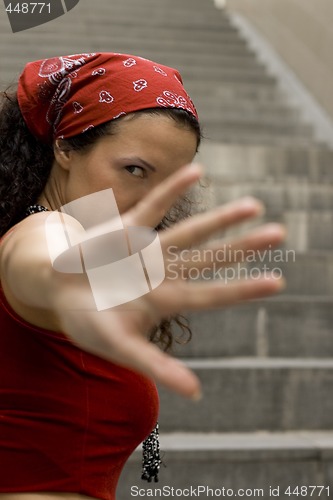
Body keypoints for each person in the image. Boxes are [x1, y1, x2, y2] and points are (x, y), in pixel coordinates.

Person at [0, 52, 285, 500]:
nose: (153, 202)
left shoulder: (97, 250)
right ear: (65, 147)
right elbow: (42, 264)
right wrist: (66, 284)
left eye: (173, 183)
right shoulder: (48, 230)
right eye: (135, 170)